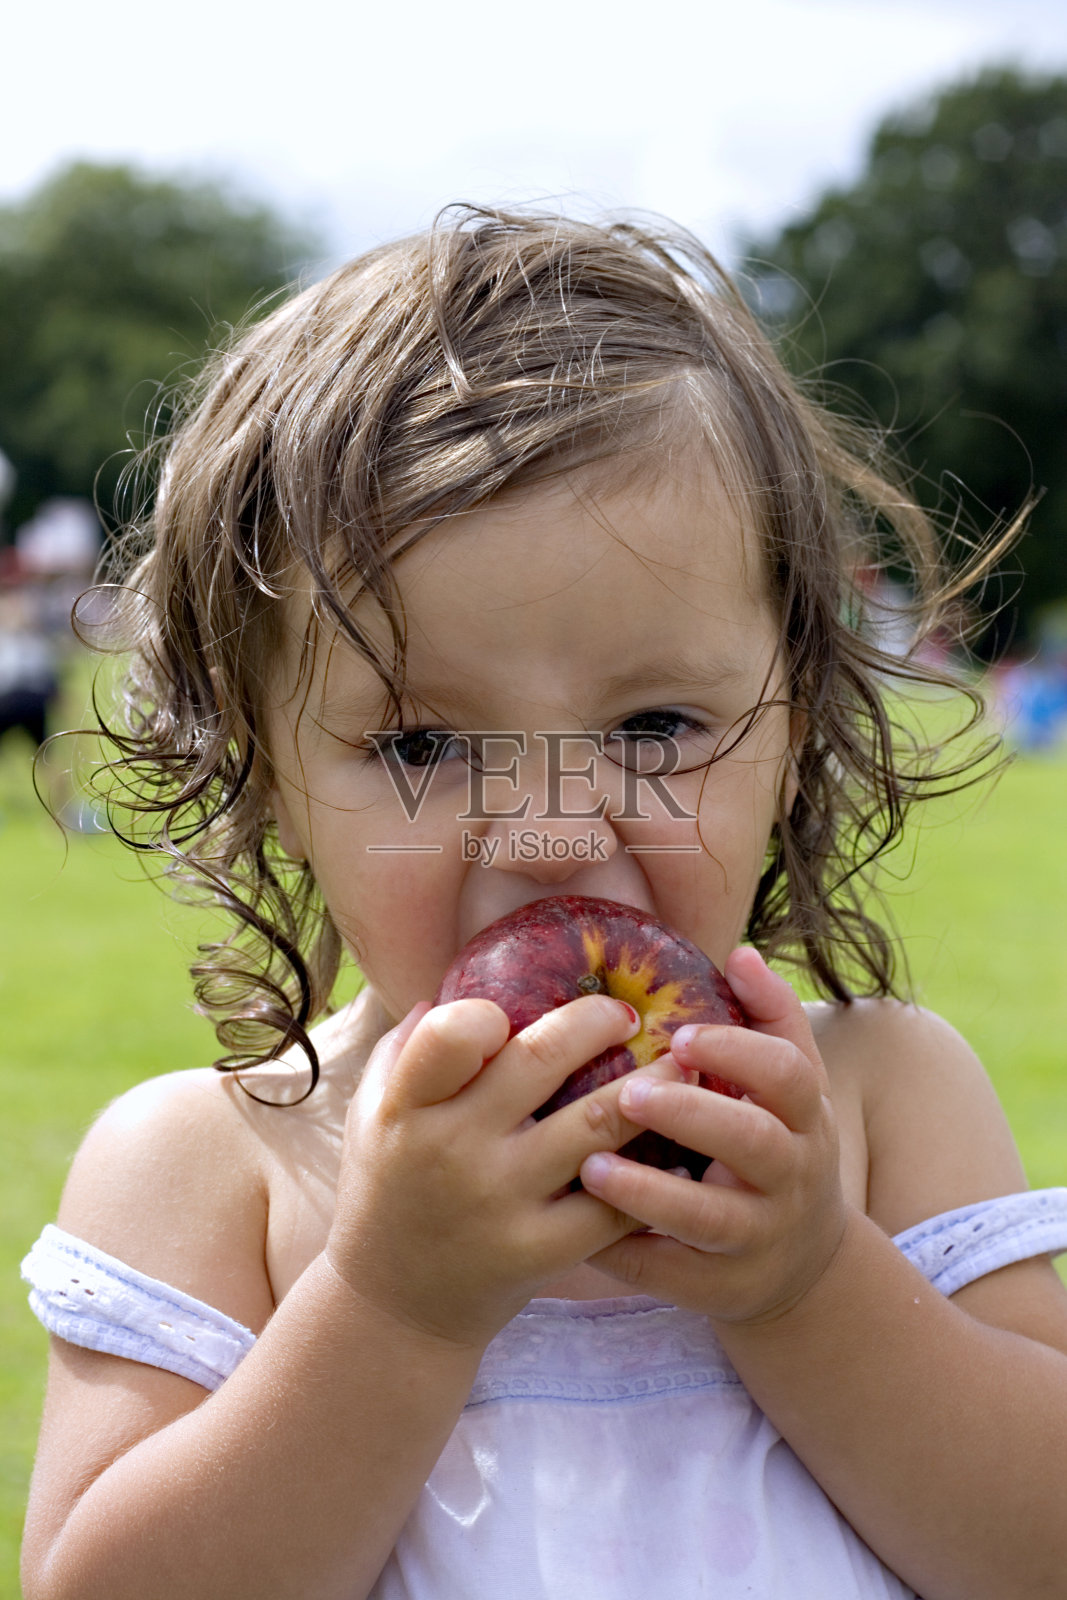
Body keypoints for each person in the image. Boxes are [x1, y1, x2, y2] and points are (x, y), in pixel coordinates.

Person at [19, 206, 1067, 1600]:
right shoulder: (220, 1171)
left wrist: (813, 1284)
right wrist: (391, 1307)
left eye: (654, 724)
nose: (556, 831)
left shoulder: (879, 1106)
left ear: (796, 729)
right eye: (421, 746)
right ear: (268, 777)